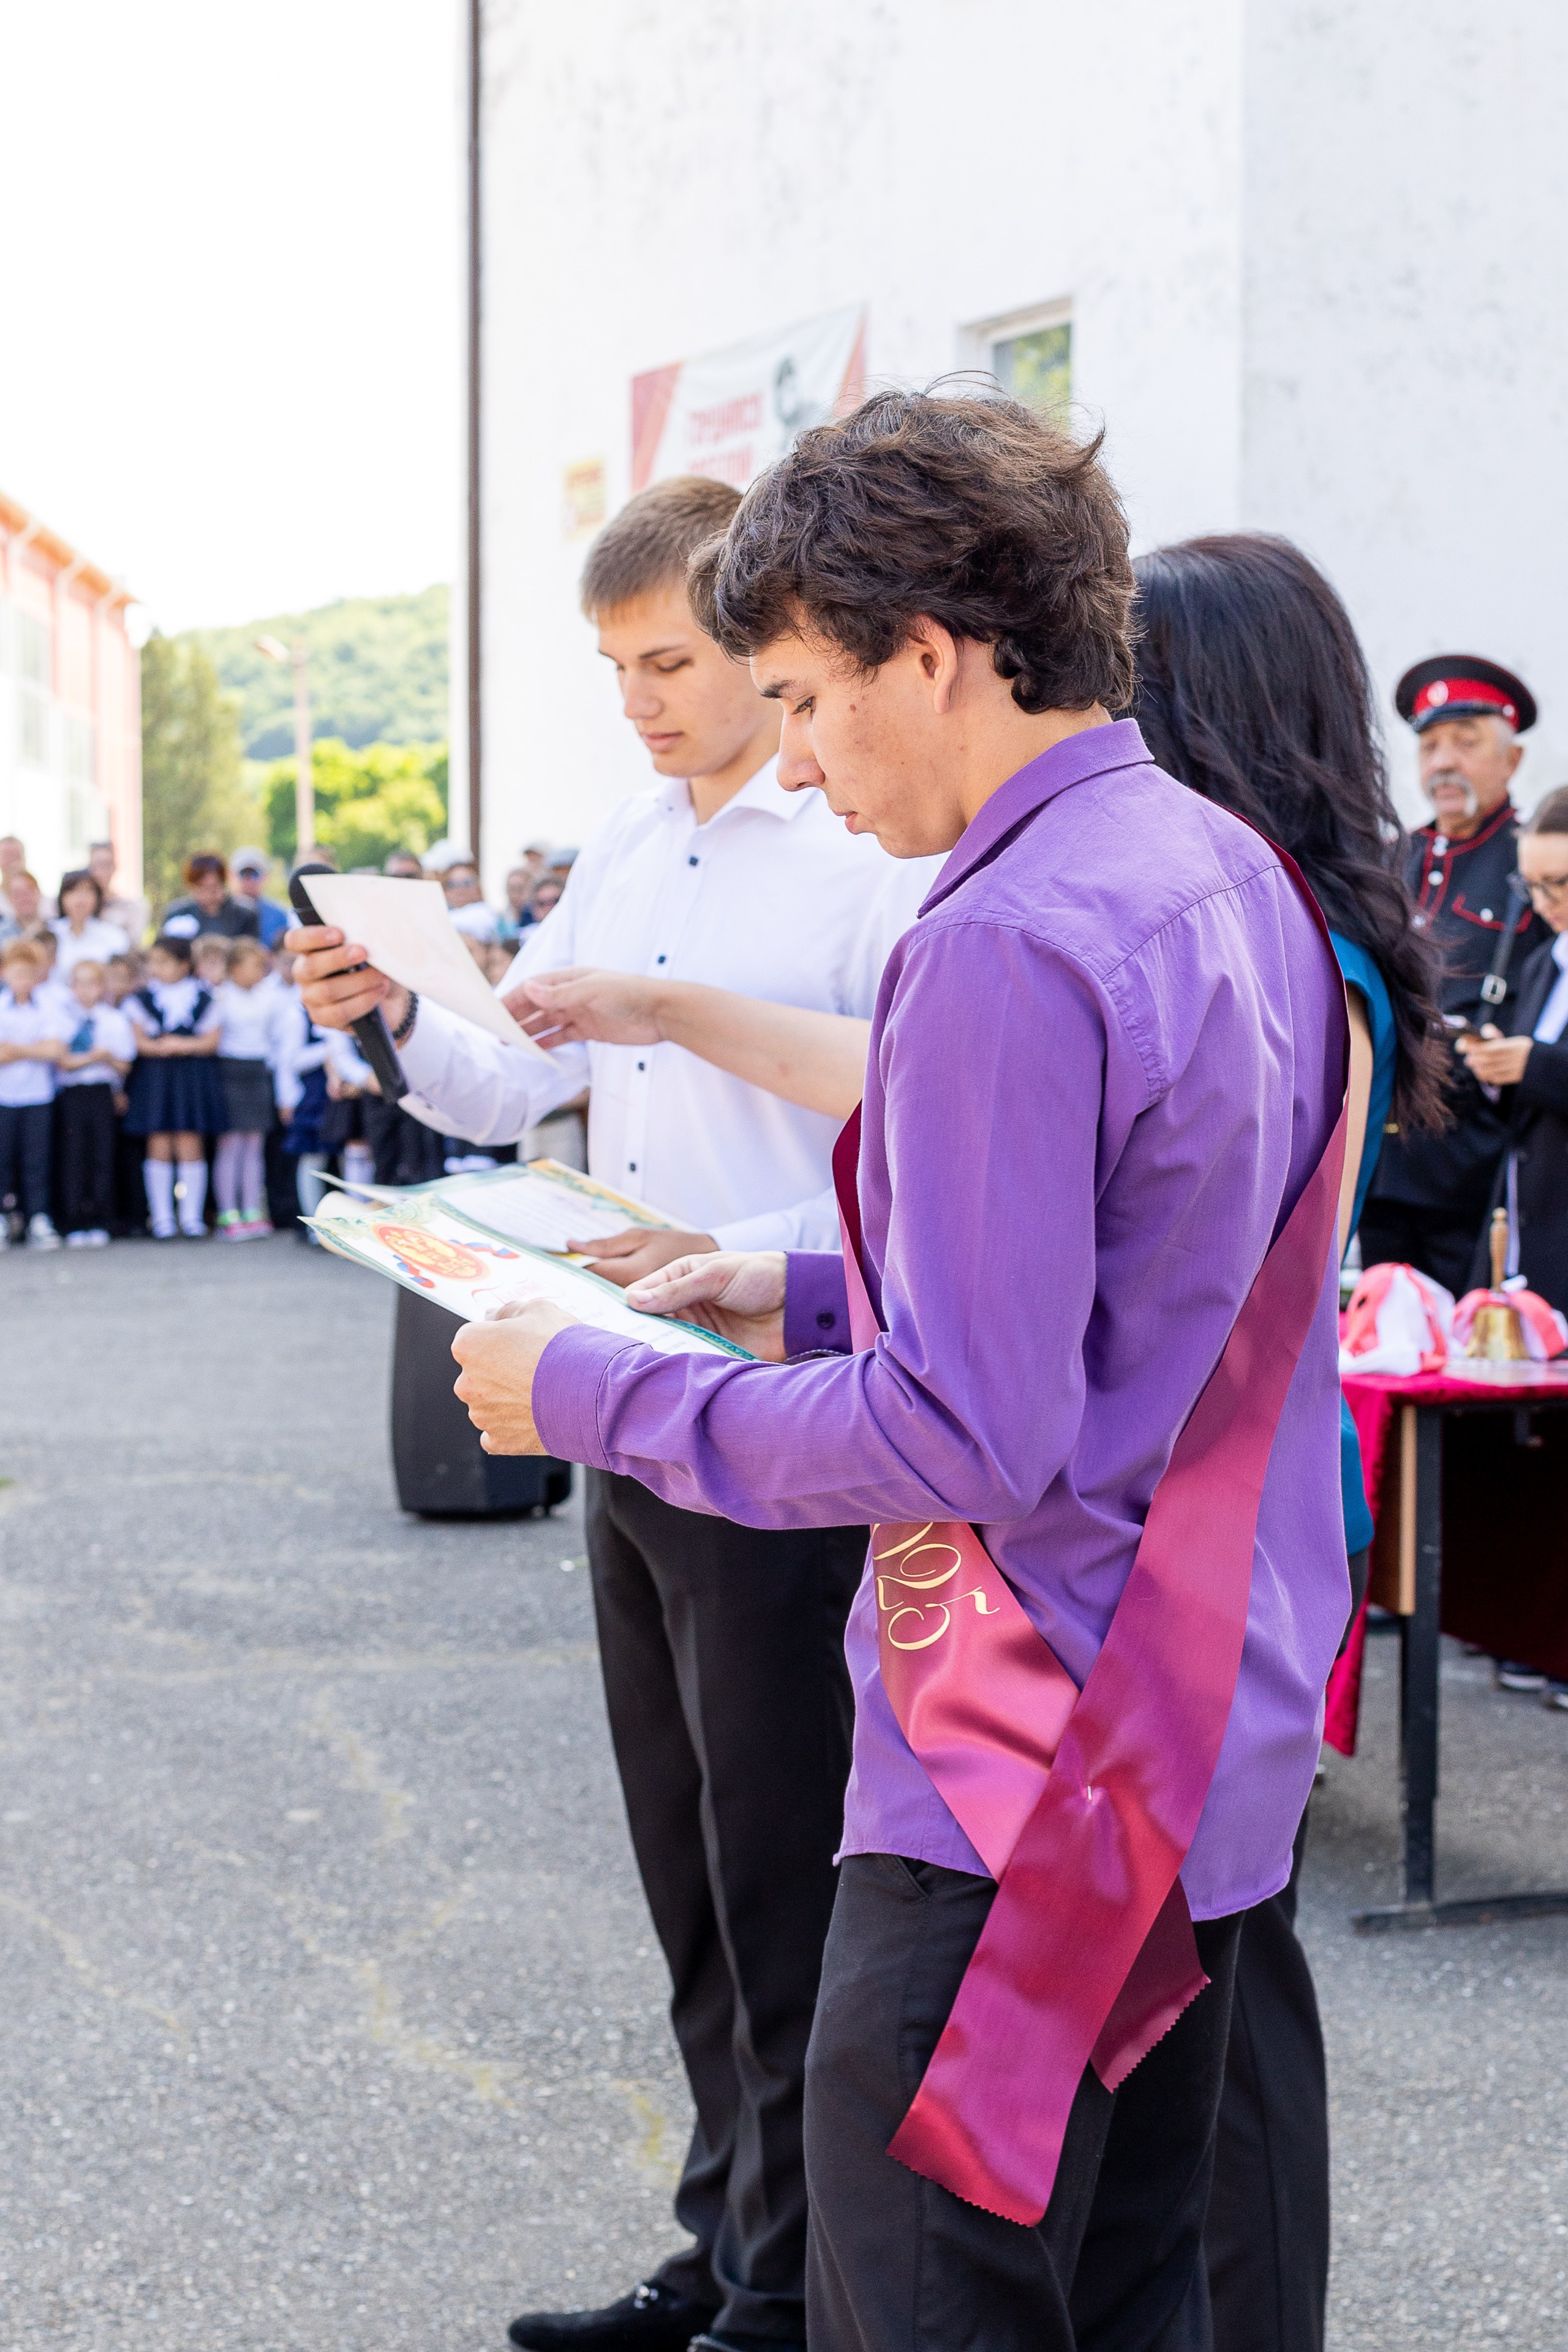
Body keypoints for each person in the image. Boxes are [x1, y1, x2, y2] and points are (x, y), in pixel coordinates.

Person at [444, 391, 1349, 2352]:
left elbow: (968, 1427)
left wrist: (592, 1392)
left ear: (927, 653)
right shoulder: (1223, 866)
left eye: (801, 694)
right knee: (1132, 2295)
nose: (796, 755)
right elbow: (1148, 1282)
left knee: (933, 2296)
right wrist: (795, 1286)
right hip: (1199, 1720)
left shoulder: (1000, 933)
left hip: (1022, 1756)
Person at [290, 471, 937, 2352]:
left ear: (766, 639)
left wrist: (725, 1252)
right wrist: (385, 1009)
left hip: (791, 1403)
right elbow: (506, 1082)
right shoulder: (633, 845)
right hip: (628, 1396)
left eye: (670, 661)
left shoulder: (866, 852)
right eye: (615, 670)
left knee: (788, 1871)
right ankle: (726, 2235)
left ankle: (794, 2286)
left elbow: (922, 1145)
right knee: (690, 1866)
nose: (641, 702)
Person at [1359, 657, 1549, 1295]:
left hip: (1482, 1167)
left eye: (1466, 744)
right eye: (1430, 746)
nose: (1444, 763)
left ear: (1512, 760)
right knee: (1387, 1332)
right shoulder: (1388, 862)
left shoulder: (1535, 865)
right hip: (1386, 1162)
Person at [1455, 785, 1568, 1717]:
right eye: (1534, 888)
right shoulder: (1543, 961)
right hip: (1534, 1217)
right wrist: (1499, 1066)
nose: (1547, 904)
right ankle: (1537, 1634)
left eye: (1562, 884)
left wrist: (1535, 1065)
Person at [123, 933, 225, 1238]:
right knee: (159, 1140)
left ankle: (192, 1218)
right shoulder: (141, 999)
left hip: (191, 1077)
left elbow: (212, 1041)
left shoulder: (205, 996)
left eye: (164, 962)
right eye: (153, 962)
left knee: (190, 1139)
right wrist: (160, 1048)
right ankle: (162, 1218)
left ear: (184, 964)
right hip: (155, 1078)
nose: (157, 968)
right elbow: (139, 1041)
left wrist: (181, 1045)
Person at [53, 958, 136, 1245]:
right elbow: (62, 1061)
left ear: (102, 987)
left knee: (102, 1155)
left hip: (102, 1092)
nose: (86, 990)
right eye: (80, 983)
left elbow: (124, 1064)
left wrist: (107, 1060)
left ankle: (101, 1219)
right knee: (73, 1156)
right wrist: (93, 1057)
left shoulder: (113, 1019)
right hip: (72, 1093)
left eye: (92, 983)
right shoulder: (63, 1018)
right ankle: (74, 1221)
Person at [0, 935, 69, 1249]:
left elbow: (55, 1050)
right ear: (5, 973)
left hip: (39, 1096)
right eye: (18, 973)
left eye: (29, 974)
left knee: (37, 1160)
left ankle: (38, 1217)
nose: (24, 981)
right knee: (3, 1159)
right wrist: (34, 1049)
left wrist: (15, 1050)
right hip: (5, 1096)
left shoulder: (49, 1006)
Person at [212, 937, 282, 1238]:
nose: (261, 972)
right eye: (255, 966)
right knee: (230, 1144)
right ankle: (228, 1213)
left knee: (254, 1144)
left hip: (258, 1070)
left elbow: (275, 1037)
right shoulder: (220, 997)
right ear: (236, 968)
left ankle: (252, 1209)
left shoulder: (269, 997)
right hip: (229, 1069)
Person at [161, 853, 262, 943]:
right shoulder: (178, 913)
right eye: (202, 888)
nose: (209, 894)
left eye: (214, 887)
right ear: (191, 887)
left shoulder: (245, 915)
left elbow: (248, 950)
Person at [51, 869, 131, 976]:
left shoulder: (115, 936)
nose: (80, 900)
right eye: (73, 891)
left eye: (87, 892)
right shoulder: (49, 933)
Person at [87, 840, 150, 946]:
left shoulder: (132, 907)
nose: (100, 872)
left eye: (106, 865)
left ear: (115, 867)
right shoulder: (77, 905)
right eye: (96, 865)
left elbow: (132, 943)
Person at [229, 848, 291, 948]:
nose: (249, 880)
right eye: (243, 874)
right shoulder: (220, 909)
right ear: (232, 876)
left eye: (255, 874)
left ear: (265, 876)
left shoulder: (279, 914)